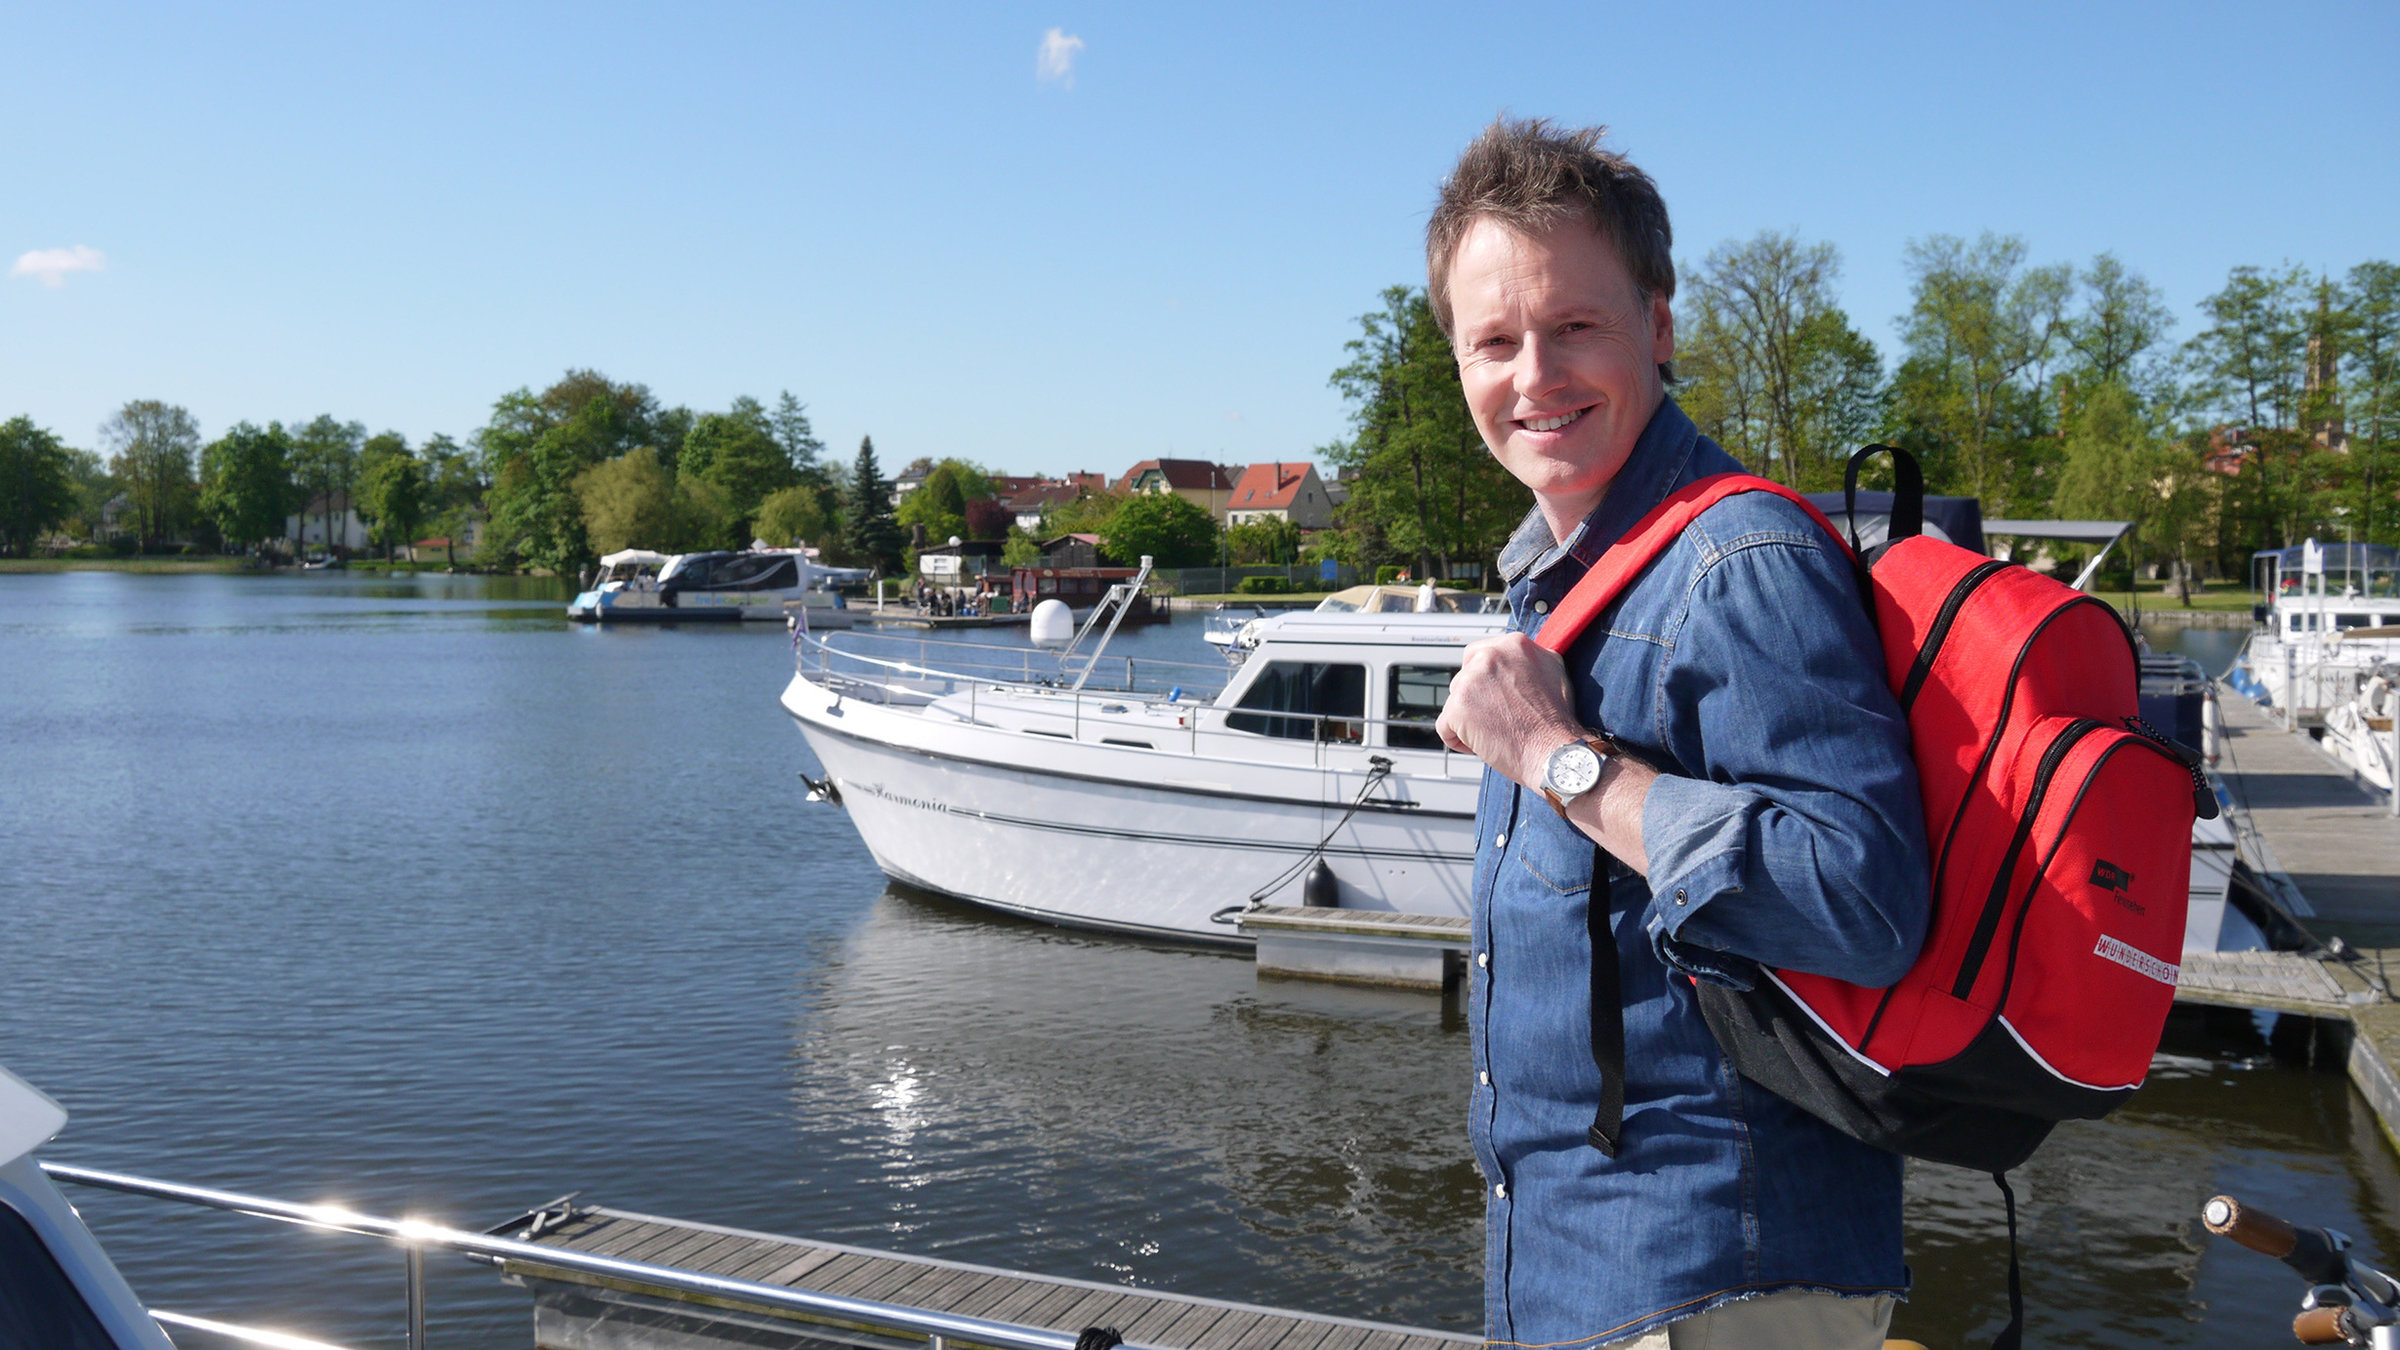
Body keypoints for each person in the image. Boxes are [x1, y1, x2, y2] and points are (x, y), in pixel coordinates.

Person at [1427, 119, 1931, 1350]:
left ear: (1658, 327)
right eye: (1493, 340)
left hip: (1720, 1283)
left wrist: (1559, 758)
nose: (1533, 375)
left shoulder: (1735, 565)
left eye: (1576, 326)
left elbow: (1864, 895)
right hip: (1594, 1274)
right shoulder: (1559, 576)